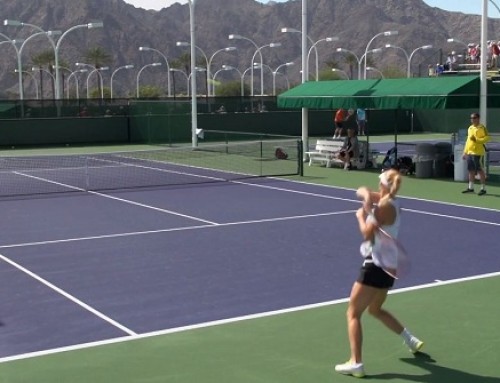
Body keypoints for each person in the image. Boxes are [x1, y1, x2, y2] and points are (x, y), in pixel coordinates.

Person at [335, 169, 424, 378]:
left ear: (384, 185)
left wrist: (362, 213)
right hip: (389, 268)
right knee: (375, 309)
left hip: (375, 265)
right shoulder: (393, 201)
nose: (376, 186)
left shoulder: (383, 207)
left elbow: (367, 234)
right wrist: (365, 195)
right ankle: (410, 339)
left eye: (379, 183)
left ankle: (356, 362)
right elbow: (364, 191)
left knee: (353, 313)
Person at [462, 112, 490, 196]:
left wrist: (477, 140)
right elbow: (468, 141)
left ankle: (483, 188)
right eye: (471, 118)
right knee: (471, 170)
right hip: (470, 152)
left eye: (474, 118)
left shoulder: (482, 128)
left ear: (478, 118)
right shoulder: (470, 128)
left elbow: (487, 138)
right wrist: (465, 152)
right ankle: (471, 187)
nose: (472, 120)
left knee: (479, 170)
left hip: (477, 153)